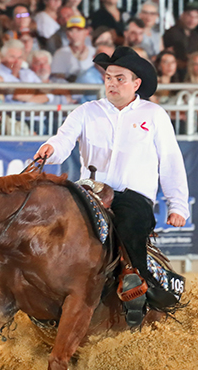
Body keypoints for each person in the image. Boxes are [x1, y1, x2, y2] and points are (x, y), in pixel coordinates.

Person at [34, 46, 189, 328]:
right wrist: (50, 149)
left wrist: (177, 204)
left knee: (130, 224)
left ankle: (139, 281)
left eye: (120, 78)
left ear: (136, 83)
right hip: (88, 193)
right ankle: (25, 282)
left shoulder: (154, 115)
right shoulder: (87, 112)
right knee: (48, 221)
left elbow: (170, 161)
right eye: (109, 78)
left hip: (134, 196)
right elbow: (63, 139)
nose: (112, 83)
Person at [51, 16, 95, 81]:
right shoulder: (60, 53)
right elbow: (57, 79)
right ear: (67, 34)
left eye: (78, 30)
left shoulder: (94, 52)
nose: (75, 35)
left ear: (86, 32)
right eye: (71, 31)